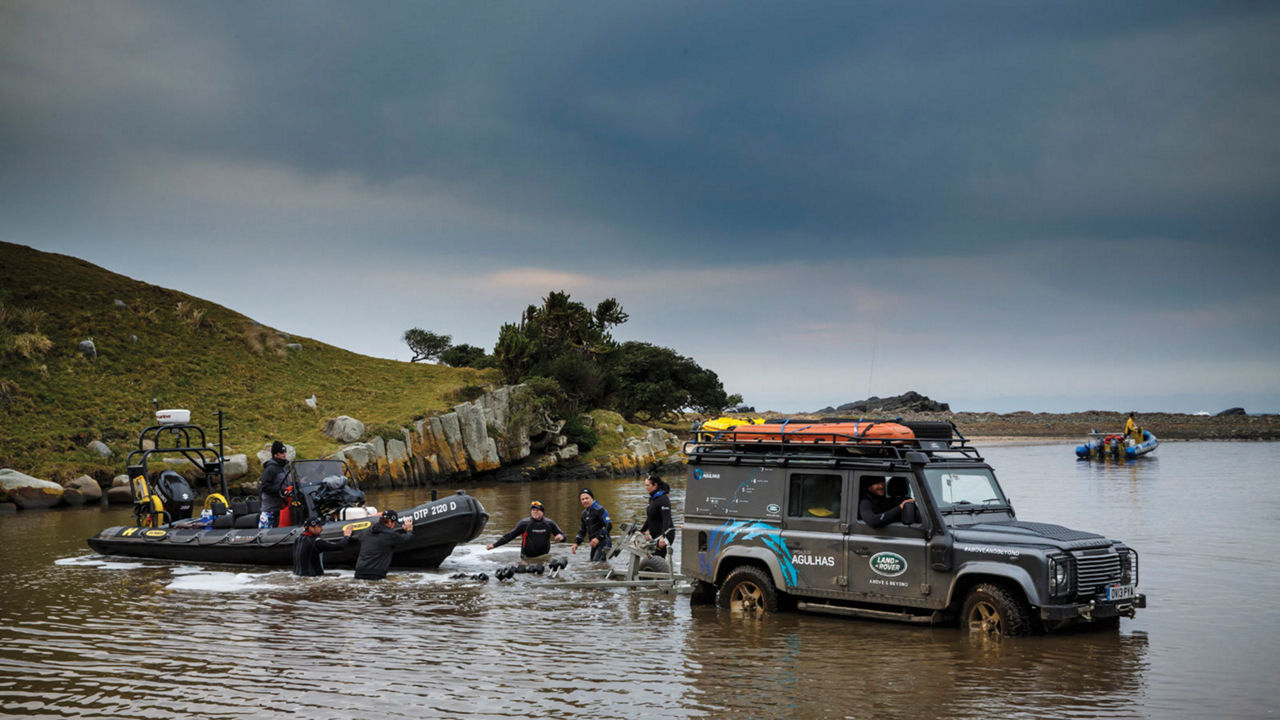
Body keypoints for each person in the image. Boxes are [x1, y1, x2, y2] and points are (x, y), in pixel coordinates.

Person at [486, 501, 565, 560]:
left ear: (542, 512)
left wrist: (560, 537)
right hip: (526, 558)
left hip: (544, 557)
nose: (534, 512)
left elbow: (563, 536)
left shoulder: (549, 523)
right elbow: (510, 536)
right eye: (533, 510)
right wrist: (494, 545)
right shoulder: (524, 523)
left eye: (537, 510)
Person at [353, 509, 415, 580]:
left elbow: (360, 537)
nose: (394, 526)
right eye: (394, 523)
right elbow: (406, 539)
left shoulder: (366, 532)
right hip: (375, 575)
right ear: (389, 522)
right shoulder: (390, 535)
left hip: (359, 572)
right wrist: (409, 530)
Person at [570, 488, 612, 562]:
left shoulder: (600, 510)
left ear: (592, 498)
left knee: (597, 564)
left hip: (604, 541)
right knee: (593, 563)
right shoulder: (584, 514)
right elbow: (582, 530)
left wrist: (597, 538)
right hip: (594, 543)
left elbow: (609, 525)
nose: (584, 501)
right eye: (582, 499)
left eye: (587, 498)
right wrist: (576, 543)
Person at [639, 474, 675, 558]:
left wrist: (663, 537)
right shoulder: (652, 499)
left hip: (665, 534)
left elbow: (667, 519)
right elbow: (650, 517)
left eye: (648, 485)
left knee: (656, 559)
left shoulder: (663, 500)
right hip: (655, 536)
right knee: (649, 557)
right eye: (645, 485)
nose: (646, 487)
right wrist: (642, 531)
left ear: (655, 485)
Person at [258, 440, 289, 528]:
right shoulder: (270, 469)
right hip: (270, 509)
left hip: (282, 508)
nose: (284, 454)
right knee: (266, 534)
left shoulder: (285, 468)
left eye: (285, 451)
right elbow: (265, 487)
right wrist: (282, 491)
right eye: (282, 452)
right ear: (275, 455)